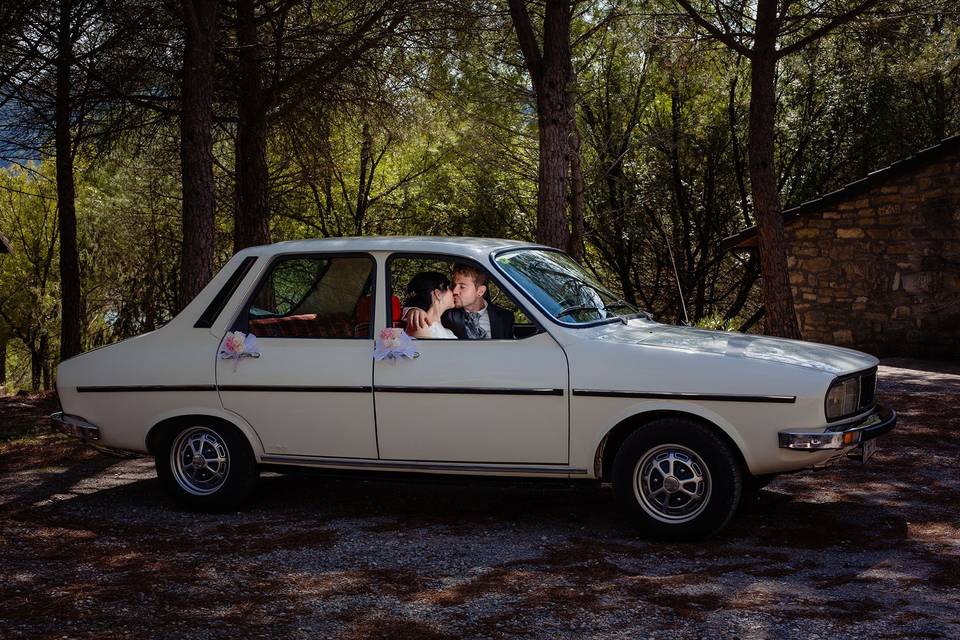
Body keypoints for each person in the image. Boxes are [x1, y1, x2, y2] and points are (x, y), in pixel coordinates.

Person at [405, 263, 514, 339]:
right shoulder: (447, 314)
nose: (454, 291)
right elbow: (426, 304)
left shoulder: (504, 317)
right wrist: (412, 310)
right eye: (453, 285)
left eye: (462, 287)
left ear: (480, 291)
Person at [404, 271, 457, 339]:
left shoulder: (446, 328)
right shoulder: (420, 325)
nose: (454, 292)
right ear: (438, 294)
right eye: (449, 288)